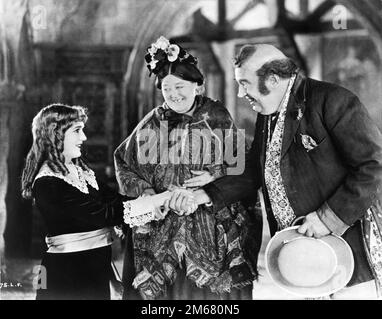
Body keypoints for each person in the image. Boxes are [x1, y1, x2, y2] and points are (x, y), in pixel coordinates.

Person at [182, 44, 382, 299]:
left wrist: (327, 218)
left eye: (245, 84)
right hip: (300, 258)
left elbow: (374, 165)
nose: (241, 93)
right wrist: (206, 194)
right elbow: (255, 170)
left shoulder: (332, 99)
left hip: (349, 257)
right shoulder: (268, 112)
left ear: (273, 79)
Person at [114, 36, 260, 300]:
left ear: (197, 86)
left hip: (210, 220)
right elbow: (124, 161)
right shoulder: (152, 122)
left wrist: (214, 174)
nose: (173, 95)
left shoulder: (216, 117)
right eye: (167, 88)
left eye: (179, 87)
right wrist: (147, 193)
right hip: (163, 219)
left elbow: (243, 165)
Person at [21, 103, 128, 300]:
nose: (84, 138)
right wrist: (157, 202)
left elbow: (116, 200)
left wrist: (157, 198)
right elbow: (105, 214)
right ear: (56, 134)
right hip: (67, 274)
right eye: (77, 130)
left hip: (94, 270)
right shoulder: (48, 182)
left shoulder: (81, 172)